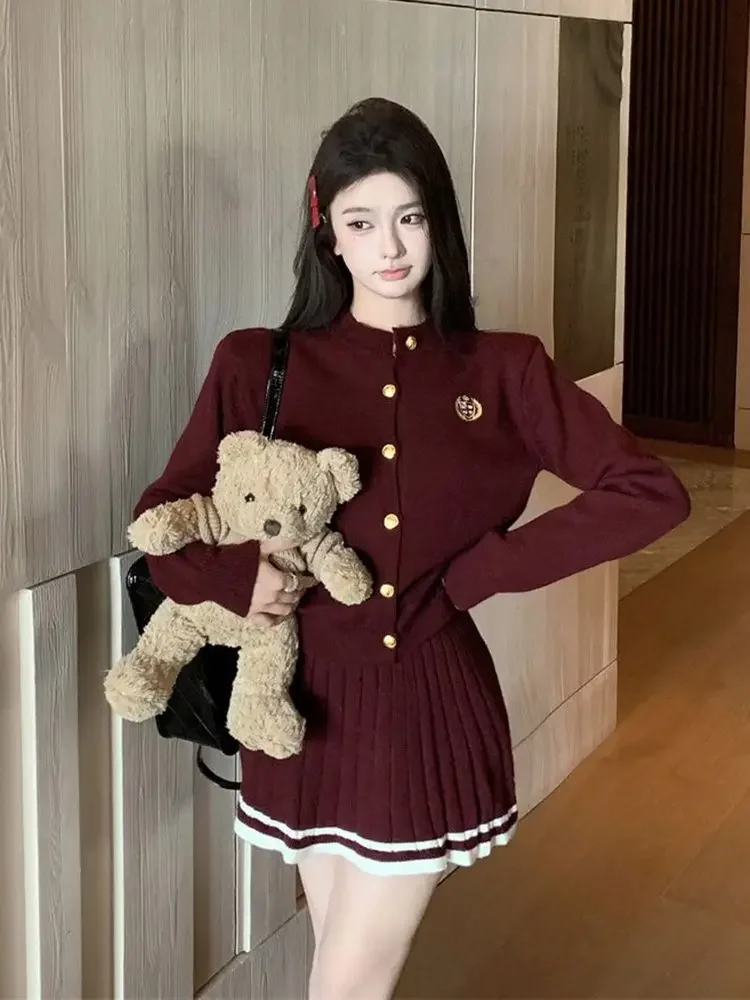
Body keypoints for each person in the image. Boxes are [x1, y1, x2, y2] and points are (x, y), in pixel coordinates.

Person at [135, 97, 691, 999]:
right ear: (327, 232)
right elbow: (163, 519)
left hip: (425, 708)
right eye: (362, 222)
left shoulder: (503, 369)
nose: (389, 247)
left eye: (411, 218)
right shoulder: (257, 363)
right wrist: (243, 578)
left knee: (348, 982)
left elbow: (649, 494)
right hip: (297, 711)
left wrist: (477, 573)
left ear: (440, 224)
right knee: (340, 966)